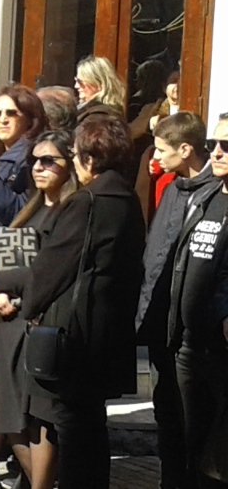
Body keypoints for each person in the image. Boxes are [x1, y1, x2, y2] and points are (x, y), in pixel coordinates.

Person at [0, 116, 145, 489]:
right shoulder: (127, 199)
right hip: (107, 331)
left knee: (72, 429)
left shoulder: (86, 202)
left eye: (75, 155)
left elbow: (51, 269)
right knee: (91, 426)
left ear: (90, 159)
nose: (75, 162)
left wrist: (4, 282)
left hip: (75, 336)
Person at [0, 130, 78, 489]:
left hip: (38, 324)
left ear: (69, 165)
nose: (38, 168)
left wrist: (3, 281)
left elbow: (47, 273)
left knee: (37, 420)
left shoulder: (70, 212)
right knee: (11, 419)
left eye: (48, 161)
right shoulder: (32, 207)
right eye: (34, 161)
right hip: (10, 323)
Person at [134, 112, 217, 489]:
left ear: (185, 150)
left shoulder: (215, 193)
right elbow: (156, 256)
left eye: (160, 150)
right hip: (160, 324)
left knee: (193, 420)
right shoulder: (171, 189)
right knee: (166, 414)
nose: (154, 157)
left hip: (191, 329)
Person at [0, 84, 46, 488]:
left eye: (10, 113)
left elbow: (24, 217)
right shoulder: (2, 156)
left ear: (30, 119)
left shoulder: (31, 158)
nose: (0, 120)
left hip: (7, 280)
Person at [162, 114, 228, 488]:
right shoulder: (206, 197)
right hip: (188, 345)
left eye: (226, 146)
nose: (216, 152)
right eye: (214, 144)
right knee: (191, 444)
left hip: (222, 350)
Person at [75, 56, 126, 123]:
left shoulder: (98, 118)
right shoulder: (89, 111)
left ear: (99, 84)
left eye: (80, 82)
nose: (76, 86)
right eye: (76, 80)